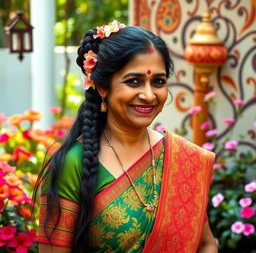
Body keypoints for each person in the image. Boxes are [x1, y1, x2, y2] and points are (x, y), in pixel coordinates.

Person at [35, 20, 218, 253]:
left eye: (158, 82)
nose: (149, 95)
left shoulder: (183, 160)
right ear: (102, 87)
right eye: (134, 81)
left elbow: (206, 244)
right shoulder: (73, 163)